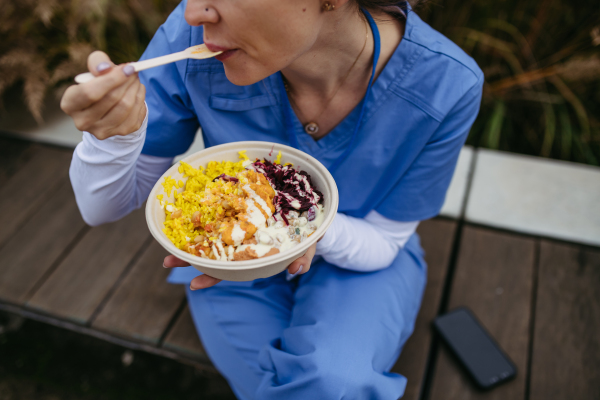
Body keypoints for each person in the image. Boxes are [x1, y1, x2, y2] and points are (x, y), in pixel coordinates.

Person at [61, 0, 483, 398]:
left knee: (336, 381)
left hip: (364, 256)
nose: (193, 12)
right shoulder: (191, 43)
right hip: (228, 264)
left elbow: (385, 240)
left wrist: (295, 227)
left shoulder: (445, 85)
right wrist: (112, 139)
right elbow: (103, 209)